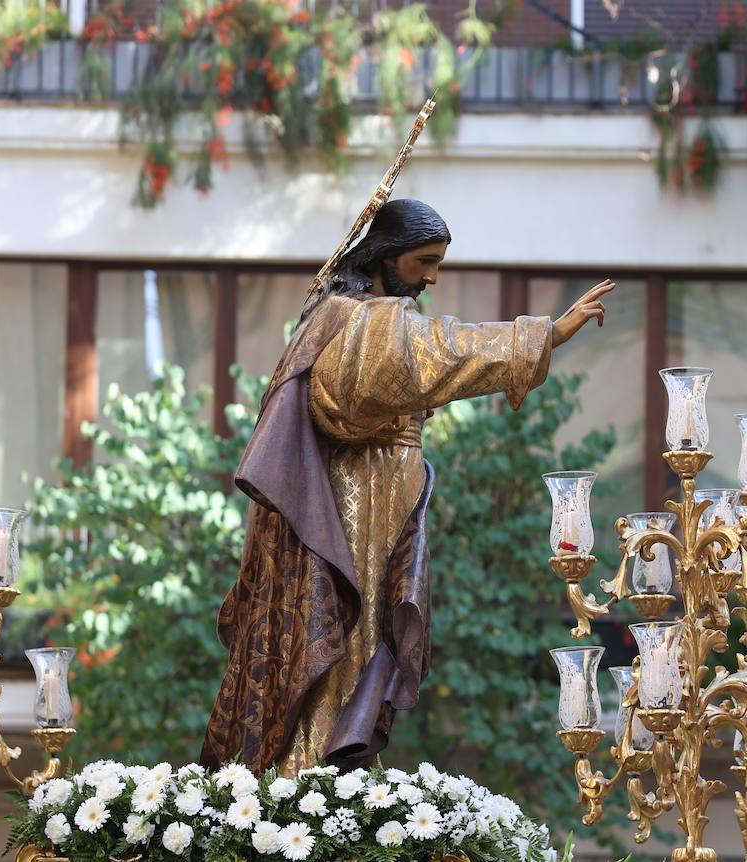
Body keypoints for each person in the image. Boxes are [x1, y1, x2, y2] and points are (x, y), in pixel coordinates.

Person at [200, 198, 613, 773]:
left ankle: (335, 776)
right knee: (345, 638)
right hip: (354, 506)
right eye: (425, 261)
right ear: (387, 255)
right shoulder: (361, 320)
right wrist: (543, 335)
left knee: (367, 643)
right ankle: (311, 773)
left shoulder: (360, 317)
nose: (432, 277)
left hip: (384, 503)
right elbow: (440, 350)